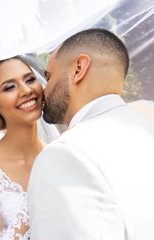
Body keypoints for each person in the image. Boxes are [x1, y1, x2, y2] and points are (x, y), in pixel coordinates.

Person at [28, 28, 154, 239]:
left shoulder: (66, 155)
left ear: (79, 68)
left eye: (48, 76)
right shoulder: (146, 124)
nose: (44, 88)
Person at [0, 55, 58, 239]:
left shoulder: (60, 155)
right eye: (10, 87)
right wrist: (34, 201)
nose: (26, 90)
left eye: (30, 79)